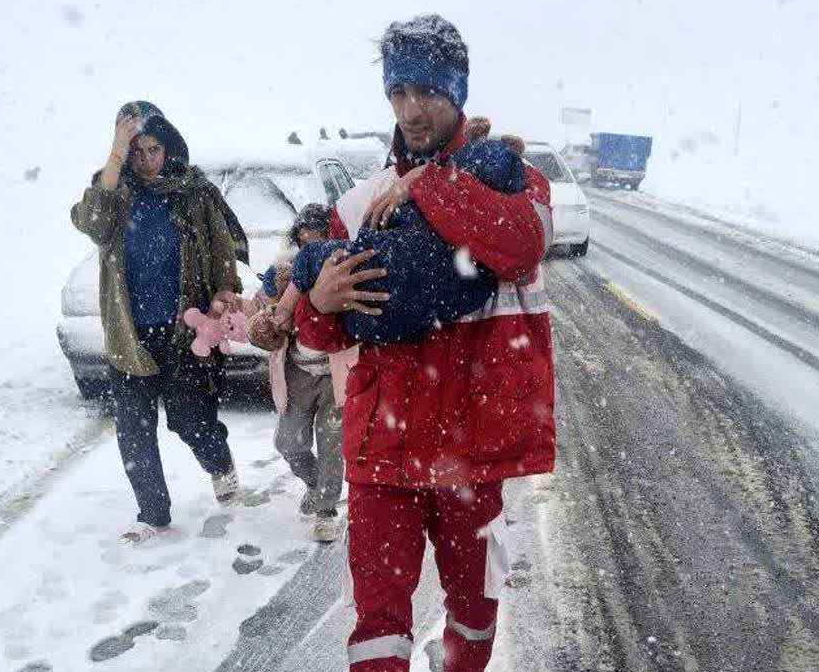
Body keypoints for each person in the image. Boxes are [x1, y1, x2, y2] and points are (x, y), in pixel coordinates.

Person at [296, 15, 556, 672]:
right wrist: (317, 305)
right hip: (382, 447)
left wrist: (432, 184)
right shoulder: (354, 200)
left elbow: (520, 243)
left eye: (426, 91)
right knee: (378, 617)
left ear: (457, 92)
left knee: (474, 592)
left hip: (471, 448)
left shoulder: (510, 177)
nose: (409, 108)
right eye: (397, 90)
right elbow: (322, 330)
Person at [71, 101, 244, 544]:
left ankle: (219, 462)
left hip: (185, 327)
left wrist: (226, 288)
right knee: (134, 428)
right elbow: (90, 221)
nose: (147, 160)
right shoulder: (115, 195)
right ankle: (153, 512)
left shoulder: (193, 191)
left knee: (189, 417)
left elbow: (221, 243)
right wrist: (114, 153)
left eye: (154, 149)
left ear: (169, 147)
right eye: (137, 152)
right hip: (130, 331)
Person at [266, 135, 525, 345]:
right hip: (387, 355)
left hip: (396, 337)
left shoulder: (507, 202)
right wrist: (317, 304)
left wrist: (426, 179)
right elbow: (319, 337)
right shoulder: (358, 202)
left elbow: (525, 250)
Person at [259, 205, 348, 538]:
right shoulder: (282, 273)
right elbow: (261, 312)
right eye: (304, 240)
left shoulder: (342, 267)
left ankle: (327, 509)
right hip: (297, 371)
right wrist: (262, 323)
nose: (310, 248)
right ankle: (314, 482)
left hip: (335, 373)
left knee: (331, 445)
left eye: (318, 239)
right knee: (289, 442)